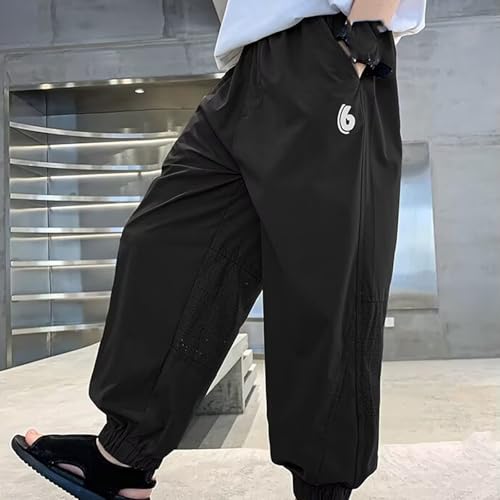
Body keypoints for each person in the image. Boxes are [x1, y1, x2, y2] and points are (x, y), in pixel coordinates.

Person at [11, 1, 426, 499]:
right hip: (250, 66)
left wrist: (354, 43)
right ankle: (125, 456)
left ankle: (324, 491)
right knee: (166, 242)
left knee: (323, 290)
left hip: (331, 47)